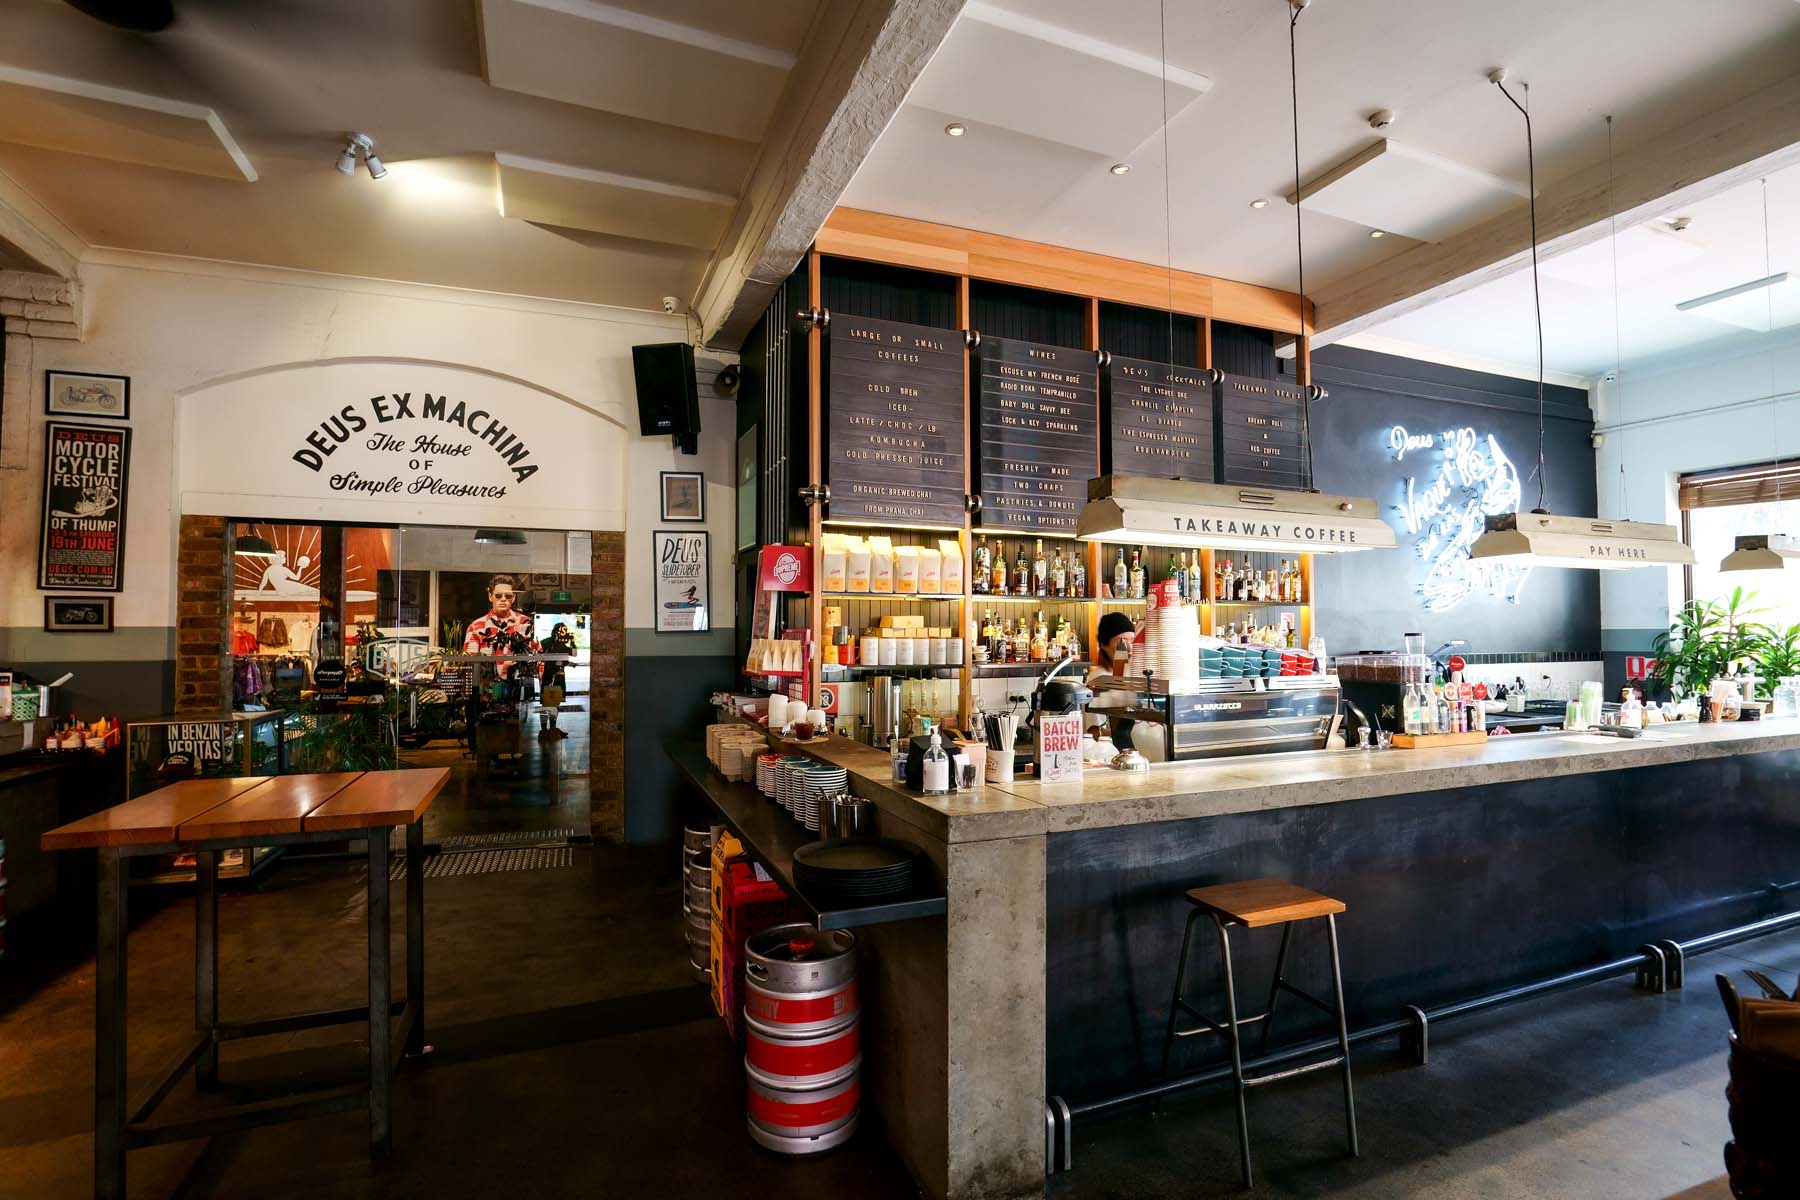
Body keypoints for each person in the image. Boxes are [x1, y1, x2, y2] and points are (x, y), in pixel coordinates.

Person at [1085, 611, 1165, 763]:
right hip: (1119, 754)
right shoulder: (1099, 679)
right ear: (1104, 645)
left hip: (1147, 751)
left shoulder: (1137, 672)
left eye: (1132, 640)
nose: (1128, 647)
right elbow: (1094, 730)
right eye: (1121, 641)